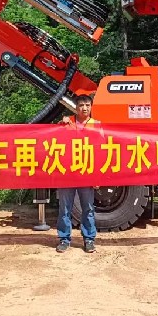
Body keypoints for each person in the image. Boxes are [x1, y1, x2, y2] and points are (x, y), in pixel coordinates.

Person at [56, 94, 98, 253]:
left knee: (88, 208)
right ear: (76, 107)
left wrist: (97, 176)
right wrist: (61, 124)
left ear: (91, 107)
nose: (84, 108)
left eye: (87, 105)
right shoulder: (67, 123)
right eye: (81, 105)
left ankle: (89, 239)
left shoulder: (97, 125)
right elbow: (55, 140)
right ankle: (64, 239)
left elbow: (101, 151)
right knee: (65, 208)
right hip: (67, 173)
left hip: (87, 173)